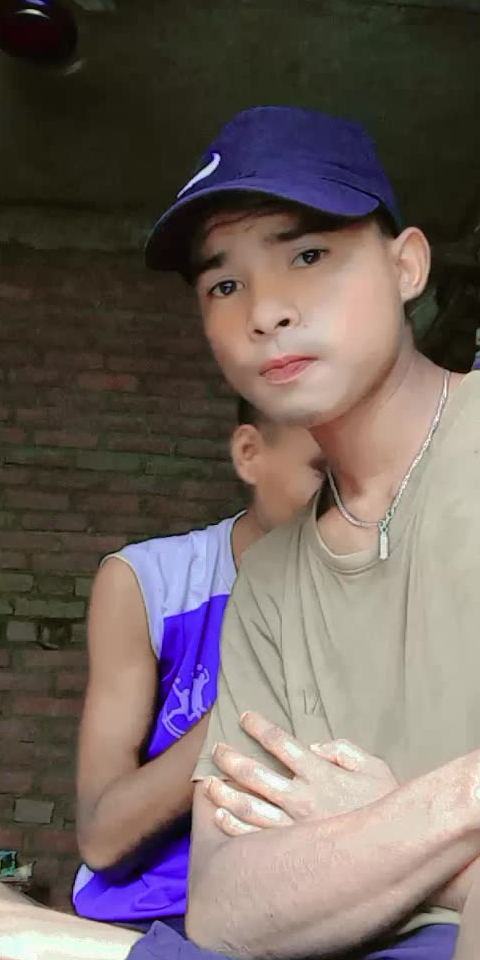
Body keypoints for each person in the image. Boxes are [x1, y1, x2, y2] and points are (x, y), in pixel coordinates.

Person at [0, 106, 480, 960]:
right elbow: (229, 906)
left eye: (307, 256)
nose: (265, 311)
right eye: (224, 285)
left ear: (407, 264)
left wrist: (374, 827)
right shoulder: (267, 583)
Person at [72, 395, 323, 932]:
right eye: (326, 472)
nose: (354, 502)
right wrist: (251, 704)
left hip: (307, 913)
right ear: (250, 453)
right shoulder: (150, 583)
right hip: (148, 914)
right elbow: (102, 837)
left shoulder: (388, 598)